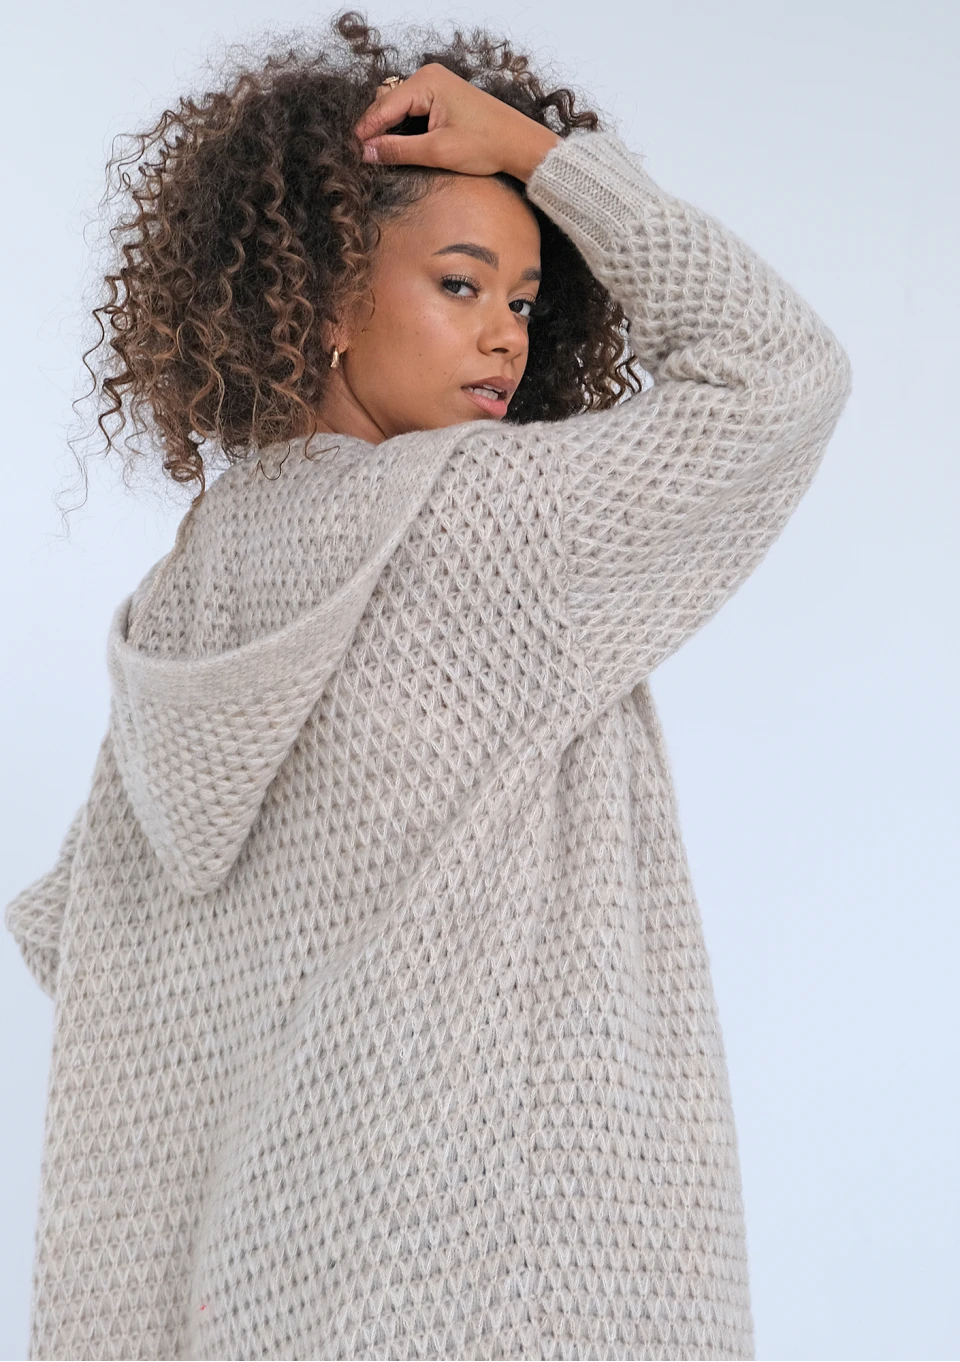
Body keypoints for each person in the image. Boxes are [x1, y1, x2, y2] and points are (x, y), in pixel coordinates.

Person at [4, 10, 852, 1360]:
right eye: (461, 285)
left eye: (523, 300)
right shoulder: (481, 517)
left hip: (277, 1262)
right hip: (498, 1243)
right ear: (328, 298)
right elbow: (781, 370)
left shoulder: (199, 574)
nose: (507, 336)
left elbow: (86, 924)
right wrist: (545, 155)